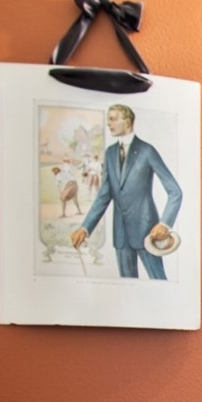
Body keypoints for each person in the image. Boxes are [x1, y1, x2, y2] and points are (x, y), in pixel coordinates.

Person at [70, 103, 182, 279]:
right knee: (126, 289)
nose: (109, 123)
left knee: (159, 282)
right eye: (108, 120)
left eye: (113, 119)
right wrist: (85, 228)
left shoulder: (147, 151)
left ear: (128, 121)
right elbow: (103, 196)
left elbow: (175, 191)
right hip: (121, 235)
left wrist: (165, 224)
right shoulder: (109, 153)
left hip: (148, 232)